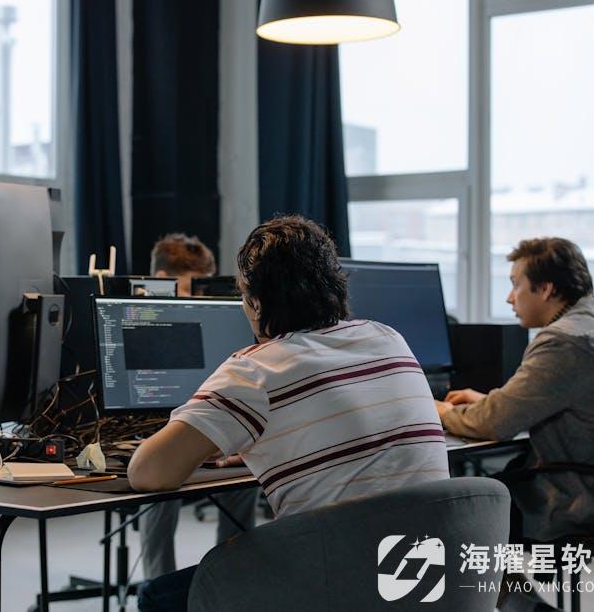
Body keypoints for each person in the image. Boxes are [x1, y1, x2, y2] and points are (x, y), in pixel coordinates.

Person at [130, 216, 449, 611]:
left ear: (256, 302)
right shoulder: (388, 338)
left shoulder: (256, 370)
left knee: (158, 597)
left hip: (337, 581)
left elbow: (148, 472)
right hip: (425, 572)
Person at [437, 237, 594, 543]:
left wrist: (444, 412)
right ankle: (510, 589)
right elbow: (564, 400)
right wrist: (489, 401)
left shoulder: (564, 342)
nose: (509, 298)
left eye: (516, 284)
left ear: (545, 289)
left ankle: (514, 592)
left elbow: (495, 423)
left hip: (566, 501)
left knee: (458, 512)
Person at [138, 233, 259, 581]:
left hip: (207, 419)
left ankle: (233, 582)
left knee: (245, 477)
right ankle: (157, 586)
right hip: (155, 423)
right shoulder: (138, 315)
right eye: (191, 288)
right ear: (163, 280)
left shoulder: (215, 318)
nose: (197, 298)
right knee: (162, 487)